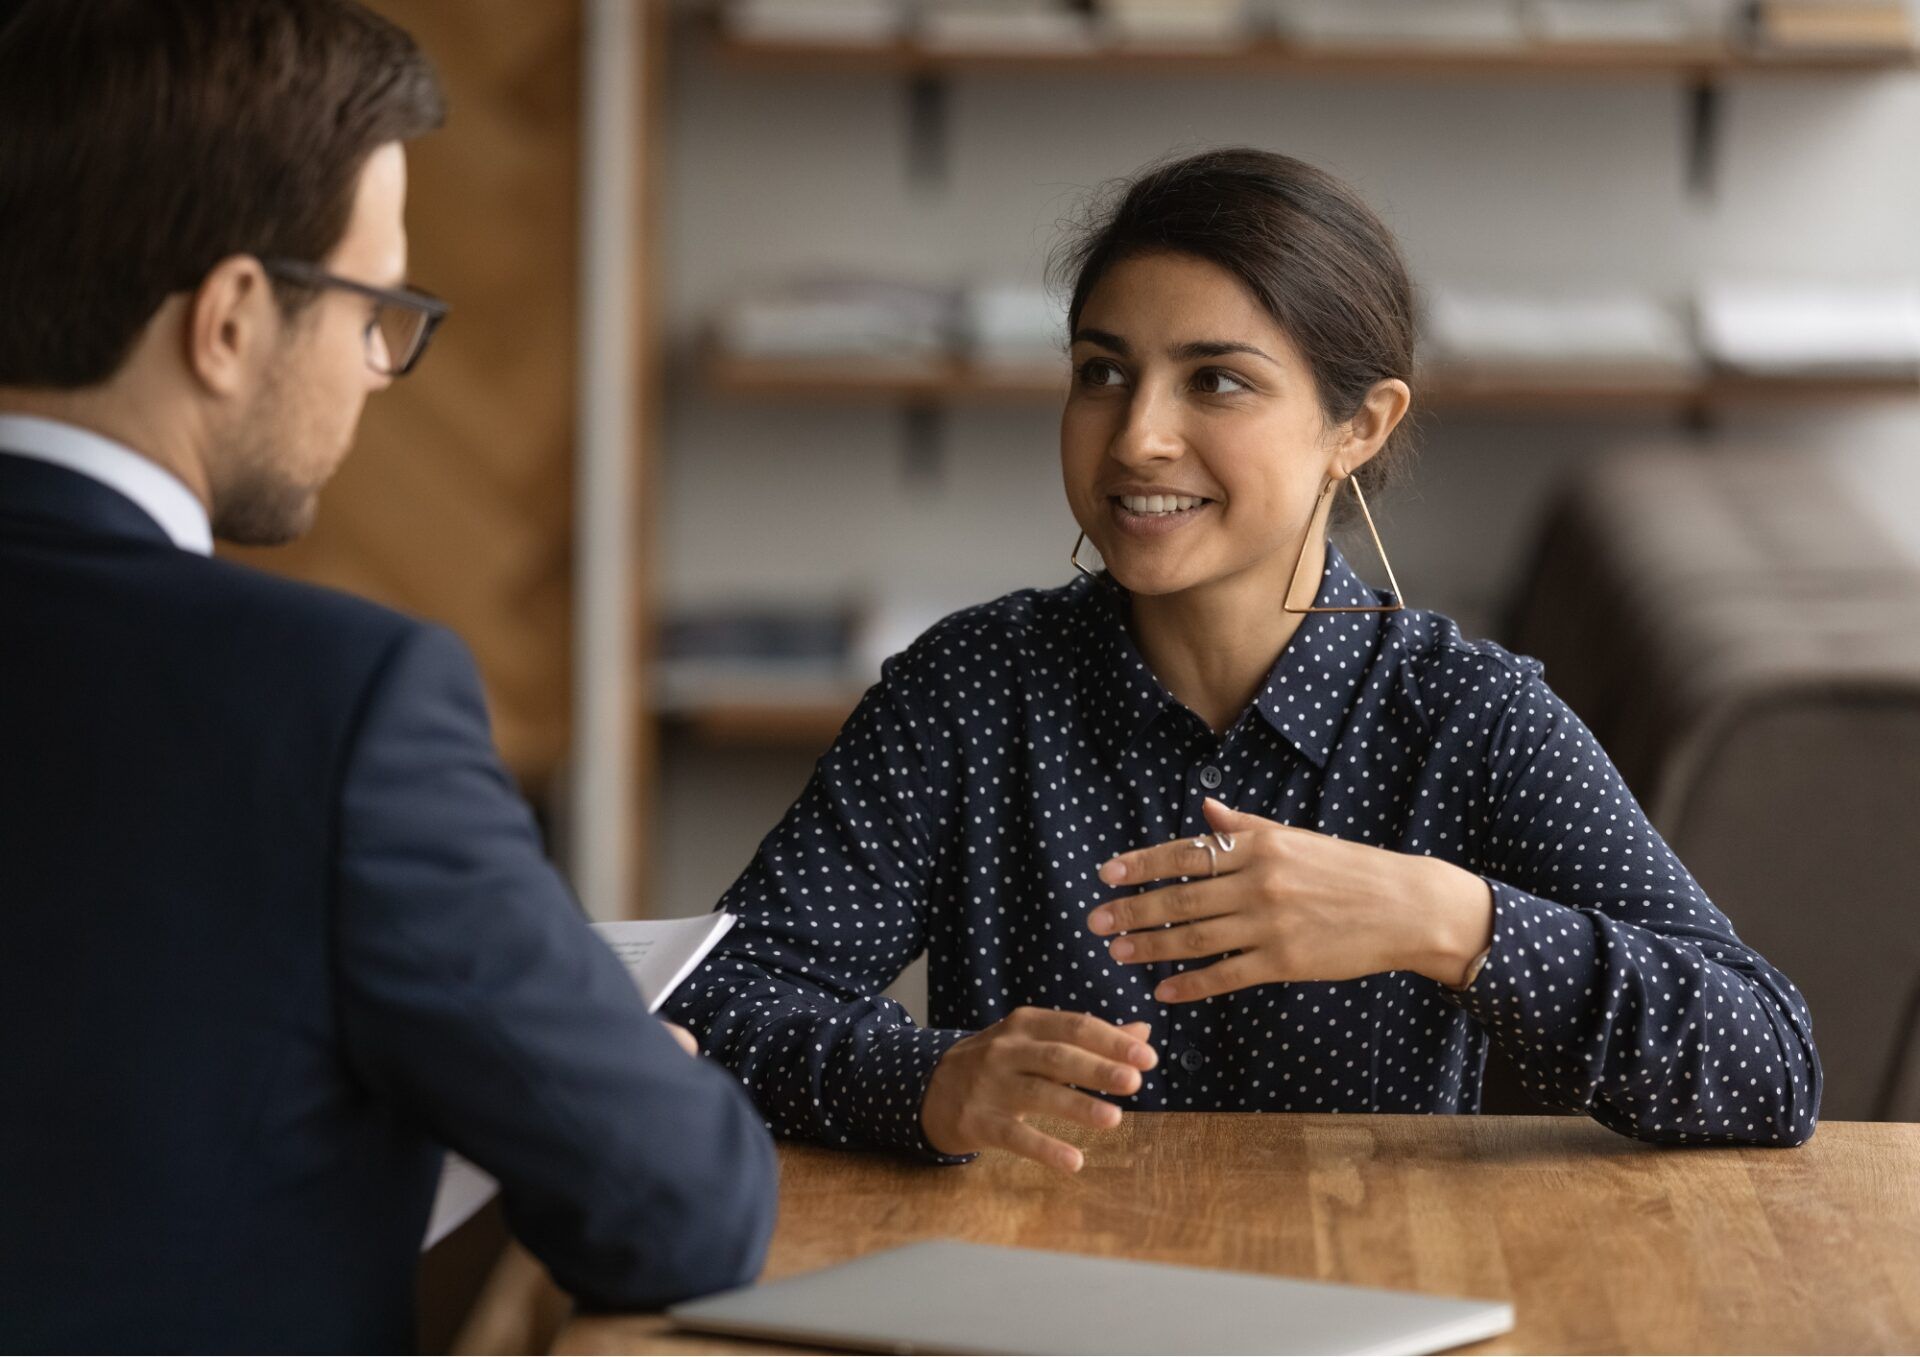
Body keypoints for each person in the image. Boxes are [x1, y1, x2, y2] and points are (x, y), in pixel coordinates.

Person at [667, 147, 1822, 1173]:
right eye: (1102, 371)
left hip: (1364, 1294)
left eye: (1216, 379)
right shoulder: (971, 689)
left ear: (1358, 427)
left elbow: (1769, 1064)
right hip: (1032, 1305)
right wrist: (926, 1080)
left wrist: (1446, 917)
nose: (1136, 437)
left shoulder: (1469, 717)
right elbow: (719, 1002)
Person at [0, 2, 773, 1350]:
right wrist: (622, 1082)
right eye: (375, 311)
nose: (379, 373)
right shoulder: (335, 699)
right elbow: (680, 1206)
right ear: (233, 316)